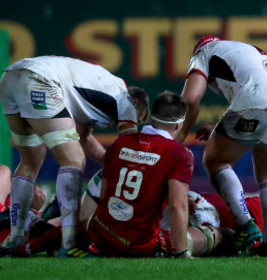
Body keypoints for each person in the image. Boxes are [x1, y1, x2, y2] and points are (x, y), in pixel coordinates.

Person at [0, 56, 140, 256]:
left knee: (30, 162)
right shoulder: (125, 98)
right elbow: (130, 152)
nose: (136, 121)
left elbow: (85, 139)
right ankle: (68, 241)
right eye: (139, 118)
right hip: (41, 80)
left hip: (10, 77)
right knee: (73, 160)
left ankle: (15, 237)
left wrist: (111, 166)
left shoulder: (94, 94)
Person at [178, 36, 267, 256]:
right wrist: (218, 128)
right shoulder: (243, 49)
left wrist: (179, 137)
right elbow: (257, 89)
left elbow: (190, 99)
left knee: (215, 160)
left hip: (258, 102)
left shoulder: (204, 52)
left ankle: (246, 226)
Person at [88, 91, 208, 257]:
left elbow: (104, 193)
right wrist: (181, 253)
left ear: (152, 116)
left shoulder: (121, 142)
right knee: (214, 234)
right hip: (136, 245)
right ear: (179, 124)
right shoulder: (180, 154)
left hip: (100, 236)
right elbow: (177, 205)